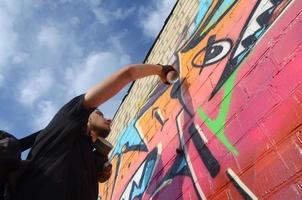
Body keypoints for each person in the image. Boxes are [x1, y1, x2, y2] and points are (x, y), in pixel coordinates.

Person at [11, 64, 177, 200]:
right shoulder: (67, 120)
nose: (109, 120)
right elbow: (129, 74)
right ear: (84, 119)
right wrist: (160, 70)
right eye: (100, 113)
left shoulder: (90, 155)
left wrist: (102, 168)